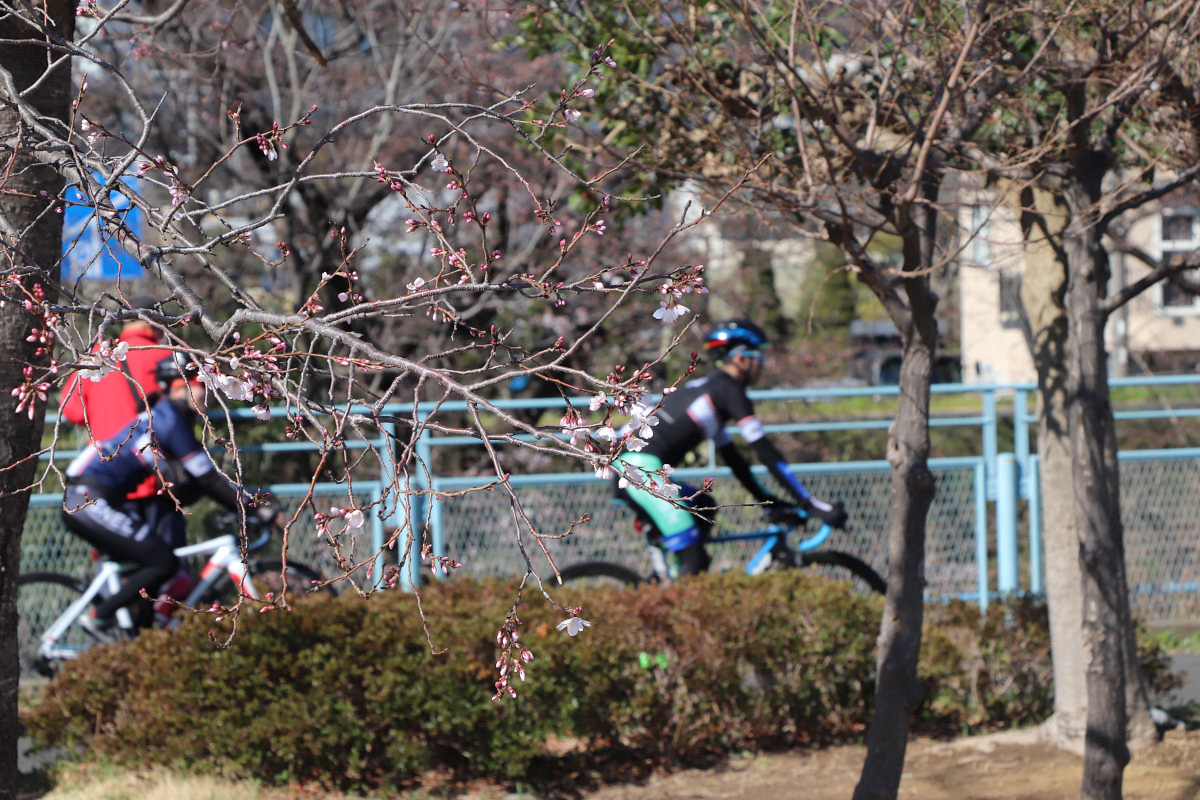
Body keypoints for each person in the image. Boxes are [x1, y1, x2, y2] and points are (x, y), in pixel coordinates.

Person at [62, 352, 282, 638]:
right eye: (205, 385)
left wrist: (239, 505)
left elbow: (193, 483)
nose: (209, 395)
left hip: (93, 497)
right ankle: (99, 616)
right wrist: (255, 509)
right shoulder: (170, 419)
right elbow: (207, 478)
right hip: (88, 499)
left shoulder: (163, 415)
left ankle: (139, 637)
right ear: (184, 386)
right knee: (162, 561)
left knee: (155, 568)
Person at [614, 318, 847, 576]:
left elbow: (736, 462)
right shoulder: (730, 391)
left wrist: (769, 502)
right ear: (741, 358)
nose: (762, 364)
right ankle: (671, 599)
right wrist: (810, 503)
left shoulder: (711, 390)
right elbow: (765, 452)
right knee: (695, 558)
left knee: (704, 504)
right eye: (758, 356)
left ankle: (665, 579)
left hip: (634, 467)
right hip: (638, 470)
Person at [60, 295, 173, 503]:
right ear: (155, 323)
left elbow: (71, 410)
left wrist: (100, 418)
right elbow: (191, 403)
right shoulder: (166, 357)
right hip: (152, 474)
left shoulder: (96, 357)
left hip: (103, 470)